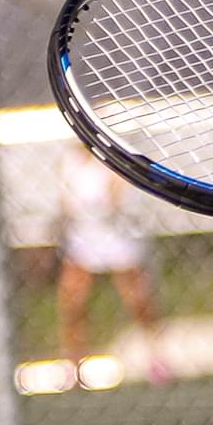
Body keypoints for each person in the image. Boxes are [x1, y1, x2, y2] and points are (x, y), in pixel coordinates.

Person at [56, 141, 168, 381]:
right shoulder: (69, 162)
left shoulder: (112, 160)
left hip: (117, 237)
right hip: (83, 239)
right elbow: (66, 203)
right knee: (73, 303)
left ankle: (156, 359)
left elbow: (113, 199)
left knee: (138, 301)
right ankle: (74, 367)